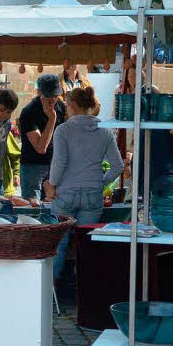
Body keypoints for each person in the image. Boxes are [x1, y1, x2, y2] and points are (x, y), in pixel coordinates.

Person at [47, 87, 123, 282]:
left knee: (59, 243)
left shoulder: (63, 130)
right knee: (85, 243)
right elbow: (118, 166)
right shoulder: (105, 132)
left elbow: (59, 162)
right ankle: (86, 290)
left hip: (65, 193)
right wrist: (101, 182)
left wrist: (52, 185)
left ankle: (50, 291)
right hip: (93, 194)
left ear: (71, 106)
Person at [19, 74, 66, 200]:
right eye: (48, 95)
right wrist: (52, 119)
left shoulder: (61, 106)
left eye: (55, 95)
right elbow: (40, 148)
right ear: (38, 92)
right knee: (33, 209)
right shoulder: (29, 111)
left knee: (53, 209)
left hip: (54, 165)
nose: (52, 100)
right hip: (32, 166)